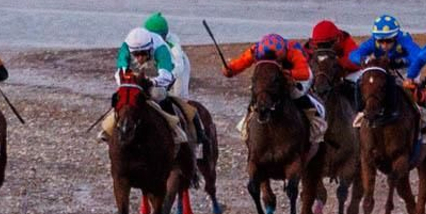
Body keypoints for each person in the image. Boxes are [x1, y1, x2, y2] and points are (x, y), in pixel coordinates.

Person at [102, 27, 205, 155]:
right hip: (136, 80)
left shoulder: (161, 49)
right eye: (136, 54)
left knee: (159, 95)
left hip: (160, 76)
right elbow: (120, 72)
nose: (139, 58)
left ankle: (175, 129)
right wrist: (128, 85)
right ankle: (109, 129)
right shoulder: (126, 47)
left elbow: (166, 75)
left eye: (143, 53)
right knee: (122, 97)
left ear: (150, 48)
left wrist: (152, 82)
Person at [221, 33, 326, 151]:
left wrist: (290, 73)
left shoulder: (293, 51)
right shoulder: (256, 51)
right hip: (271, 75)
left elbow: (304, 73)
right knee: (258, 92)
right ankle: (246, 124)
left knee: (296, 94)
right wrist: (230, 70)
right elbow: (241, 62)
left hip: (298, 74)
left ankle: (315, 123)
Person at [141, 12, 191, 97]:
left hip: (179, 67)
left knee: (179, 96)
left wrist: (167, 80)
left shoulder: (173, 45)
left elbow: (178, 67)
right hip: (159, 63)